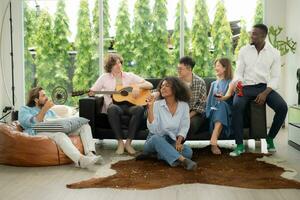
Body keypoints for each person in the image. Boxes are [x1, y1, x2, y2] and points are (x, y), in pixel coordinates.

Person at [230, 24, 288, 156]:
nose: (251, 35)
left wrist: (265, 93)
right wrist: (238, 84)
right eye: (251, 33)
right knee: (237, 106)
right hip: (245, 87)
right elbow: (238, 72)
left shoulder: (274, 53)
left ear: (264, 36)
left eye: (255, 34)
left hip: (264, 87)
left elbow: (275, 77)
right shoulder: (244, 50)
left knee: (282, 107)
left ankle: (270, 138)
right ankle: (239, 145)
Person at [18, 87, 103, 169]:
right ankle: (80, 160)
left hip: (55, 129)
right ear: (36, 100)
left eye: (46, 95)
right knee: (60, 135)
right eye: (43, 96)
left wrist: (70, 122)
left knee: (84, 126)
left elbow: (58, 122)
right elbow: (31, 123)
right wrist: (44, 109)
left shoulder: (50, 111)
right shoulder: (25, 109)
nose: (46, 97)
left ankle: (90, 154)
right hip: (37, 131)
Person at [89, 53, 153, 155]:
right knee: (112, 108)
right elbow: (93, 90)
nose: (118, 65)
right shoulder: (104, 77)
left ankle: (128, 143)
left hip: (129, 107)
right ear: (110, 66)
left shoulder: (129, 76)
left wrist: (138, 87)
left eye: (119, 62)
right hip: (115, 107)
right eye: (115, 64)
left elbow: (149, 85)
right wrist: (91, 92)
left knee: (139, 109)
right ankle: (120, 143)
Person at [138, 77, 197, 171]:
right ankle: (184, 161)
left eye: (167, 85)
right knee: (156, 138)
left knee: (188, 151)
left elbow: (184, 125)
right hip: (154, 140)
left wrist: (179, 141)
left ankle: (158, 154)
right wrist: (150, 108)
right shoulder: (156, 105)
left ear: (175, 88)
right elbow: (153, 130)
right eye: (162, 86)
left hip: (171, 141)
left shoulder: (184, 105)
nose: (163, 88)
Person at [206, 58, 234, 155]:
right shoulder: (213, 84)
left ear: (225, 68)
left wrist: (222, 98)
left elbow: (229, 96)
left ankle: (214, 140)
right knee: (218, 106)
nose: (215, 68)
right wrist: (207, 113)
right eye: (215, 66)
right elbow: (208, 102)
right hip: (213, 114)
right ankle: (214, 141)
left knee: (222, 104)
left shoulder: (231, 82)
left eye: (218, 66)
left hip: (227, 114)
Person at [177, 56, 207, 137]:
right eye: (178, 68)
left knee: (189, 125)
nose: (178, 71)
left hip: (195, 114)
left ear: (189, 69)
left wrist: (187, 117)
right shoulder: (176, 82)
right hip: (177, 113)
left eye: (180, 69)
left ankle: (179, 145)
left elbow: (201, 105)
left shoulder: (200, 82)